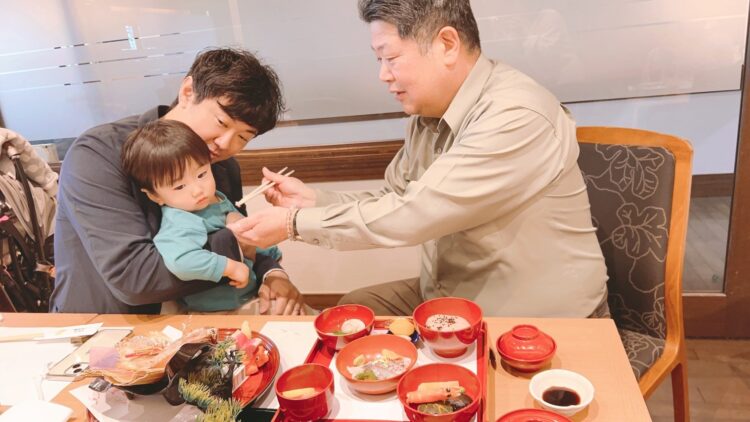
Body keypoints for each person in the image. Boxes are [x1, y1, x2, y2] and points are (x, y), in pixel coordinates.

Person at [228, 0, 609, 318]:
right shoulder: (428, 114)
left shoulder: (515, 114)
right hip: (451, 291)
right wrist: (313, 201)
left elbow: (414, 214)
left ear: (447, 44)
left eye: (391, 58)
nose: (383, 75)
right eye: (379, 59)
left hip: (529, 311)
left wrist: (294, 224)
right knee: (352, 310)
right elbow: (395, 197)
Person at [51, 48, 306, 315]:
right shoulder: (100, 154)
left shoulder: (220, 165)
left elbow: (238, 235)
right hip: (105, 325)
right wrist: (239, 245)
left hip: (196, 321)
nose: (224, 143)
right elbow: (134, 279)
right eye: (221, 122)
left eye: (243, 137)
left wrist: (273, 275)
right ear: (187, 92)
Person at [121, 119, 284, 312]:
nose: (198, 190)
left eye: (201, 174)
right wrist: (229, 267)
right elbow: (182, 261)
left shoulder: (216, 199)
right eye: (179, 186)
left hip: (248, 297)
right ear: (155, 196)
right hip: (214, 312)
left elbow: (247, 235)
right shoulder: (181, 219)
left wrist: (272, 259)